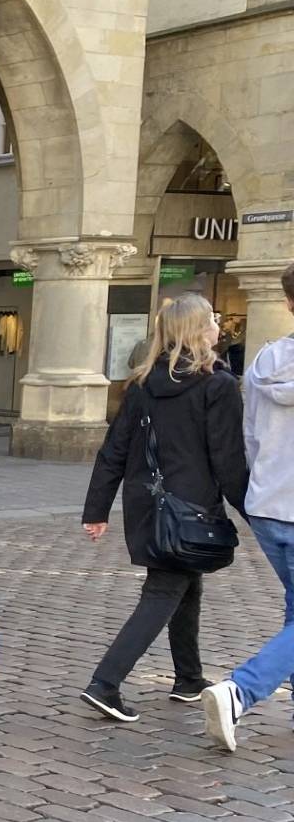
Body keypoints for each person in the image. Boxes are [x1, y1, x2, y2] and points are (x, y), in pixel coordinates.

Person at [81, 292, 247, 723]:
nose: (217, 325)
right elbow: (228, 459)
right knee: (162, 592)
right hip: (191, 509)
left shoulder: (140, 385)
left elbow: (113, 450)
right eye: (211, 319)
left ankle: (188, 678)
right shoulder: (218, 385)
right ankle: (105, 683)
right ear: (197, 330)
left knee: (183, 583)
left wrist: (96, 509)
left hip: (148, 506)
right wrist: (255, 512)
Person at [202, 263, 294, 751]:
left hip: (269, 505)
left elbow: (251, 436)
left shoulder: (265, 361)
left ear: (287, 302)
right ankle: (241, 691)